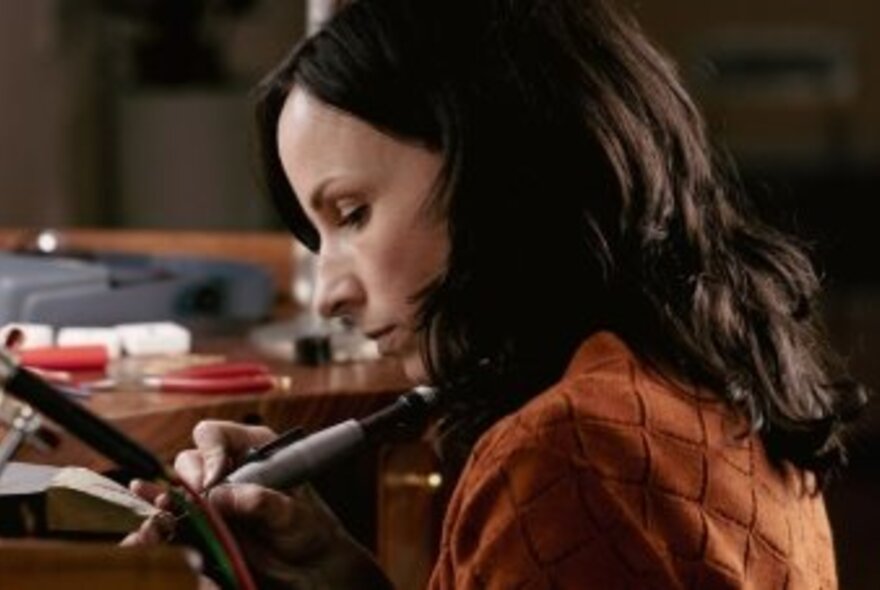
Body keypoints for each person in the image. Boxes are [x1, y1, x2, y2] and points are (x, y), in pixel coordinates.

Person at [125, 0, 869, 587]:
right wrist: (336, 580)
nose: (330, 294)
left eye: (352, 213)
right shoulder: (692, 378)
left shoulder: (568, 451)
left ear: (502, 172)